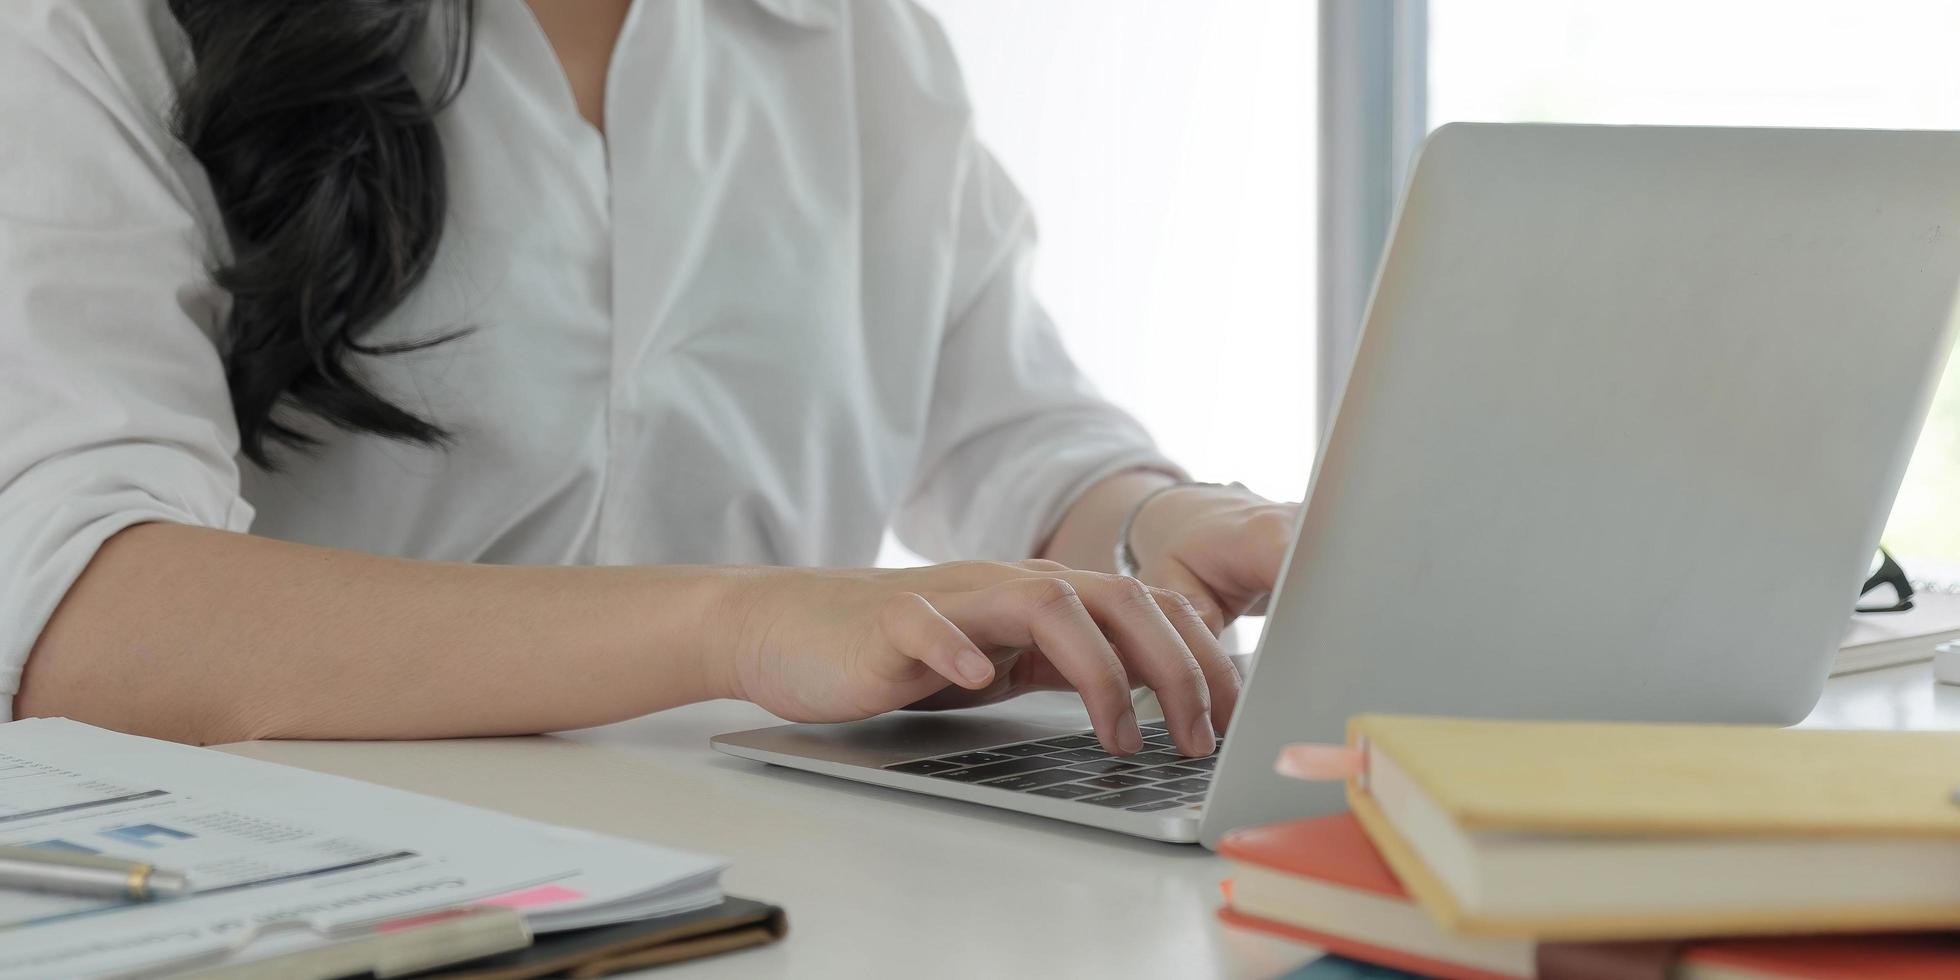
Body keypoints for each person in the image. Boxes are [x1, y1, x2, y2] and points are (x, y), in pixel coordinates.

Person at [0, 0, 1298, 756]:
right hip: (309, 889)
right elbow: (82, 613)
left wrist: (1156, 526)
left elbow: (1014, 434)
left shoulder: (860, 41)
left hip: (766, 879)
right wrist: (739, 627)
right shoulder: (90, 29)